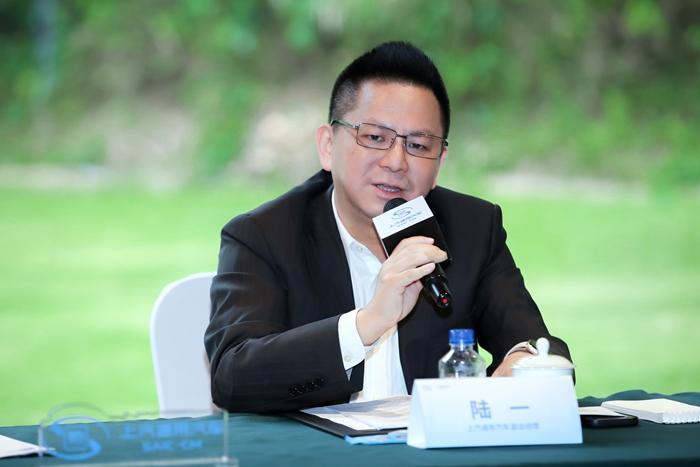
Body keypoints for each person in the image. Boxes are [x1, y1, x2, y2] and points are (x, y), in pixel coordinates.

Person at [205, 41, 572, 413]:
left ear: (439, 162)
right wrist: (368, 322)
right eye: (375, 138)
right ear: (328, 146)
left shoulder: (473, 228)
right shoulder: (263, 235)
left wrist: (525, 362)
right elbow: (233, 377)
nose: (396, 162)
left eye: (418, 145)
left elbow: (539, 344)